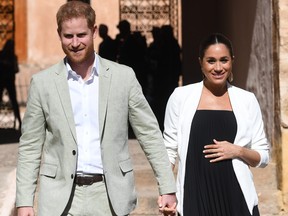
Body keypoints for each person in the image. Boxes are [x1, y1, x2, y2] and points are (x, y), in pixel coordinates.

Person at [16, 1, 176, 216]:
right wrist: (24, 201)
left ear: (94, 32)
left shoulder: (123, 77)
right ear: (59, 34)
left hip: (110, 196)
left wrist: (167, 186)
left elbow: (149, 133)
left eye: (81, 35)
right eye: (68, 36)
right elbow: (30, 146)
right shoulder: (43, 83)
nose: (75, 43)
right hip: (59, 199)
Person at [163, 33, 270, 216]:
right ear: (201, 62)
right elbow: (169, 149)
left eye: (224, 60)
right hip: (194, 197)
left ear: (232, 61)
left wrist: (238, 151)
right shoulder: (180, 97)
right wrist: (166, 191)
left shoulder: (247, 100)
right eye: (211, 61)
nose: (218, 67)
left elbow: (263, 156)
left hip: (236, 198)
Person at [0, 39, 22, 130]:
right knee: (13, 101)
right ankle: (19, 122)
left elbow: (16, 69)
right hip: (3, 81)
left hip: (7, 81)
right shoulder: (4, 55)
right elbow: (16, 69)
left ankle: (19, 122)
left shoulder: (11, 56)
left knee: (14, 102)